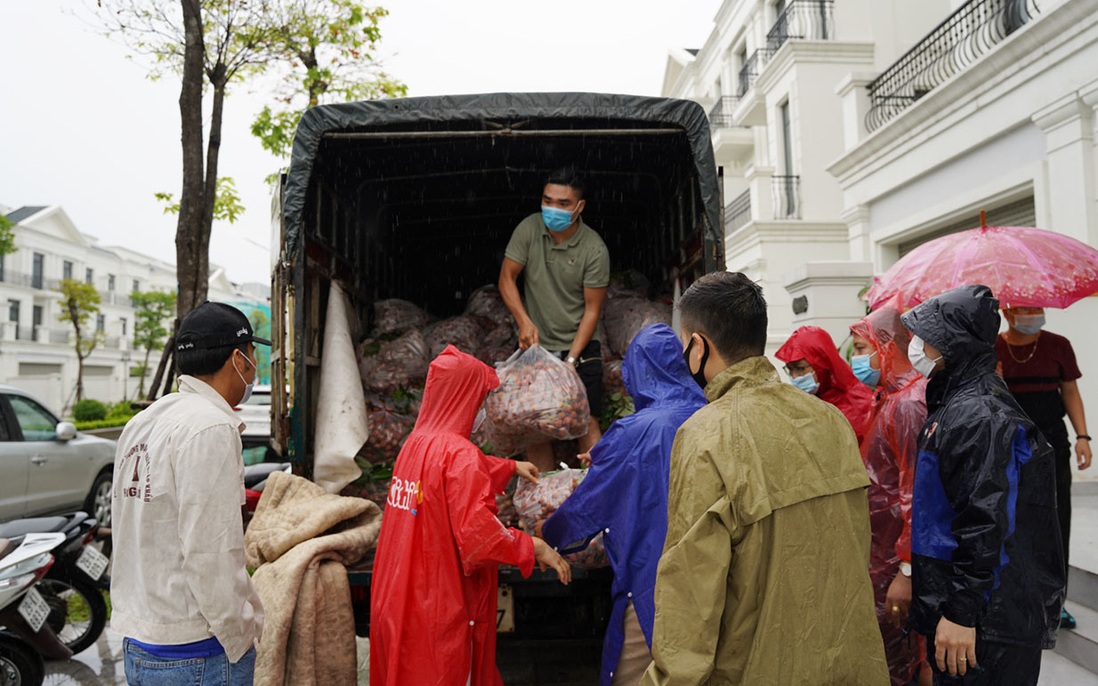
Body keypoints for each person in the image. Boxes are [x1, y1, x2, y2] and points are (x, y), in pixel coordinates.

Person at [641, 271, 888, 685]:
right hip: (848, 665)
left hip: (755, 669)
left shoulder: (706, 434)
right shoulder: (831, 420)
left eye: (686, 346)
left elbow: (691, 588)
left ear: (698, 347)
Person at [370, 345, 571, 686]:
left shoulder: (415, 443)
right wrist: (532, 546)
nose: (480, 410)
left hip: (399, 600)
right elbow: (481, 539)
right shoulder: (461, 455)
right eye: (479, 400)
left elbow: (441, 481)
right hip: (437, 608)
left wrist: (507, 467)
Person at [900, 285, 1065, 685]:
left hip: (988, 623)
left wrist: (962, 612)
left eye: (926, 337)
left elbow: (987, 522)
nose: (916, 346)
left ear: (950, 343)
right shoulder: (957, 402)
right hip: (974, 612)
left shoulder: (980, 415)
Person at [539, 324, 706, 686]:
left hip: (653, 584)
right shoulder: (711, 413)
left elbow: (589, 505)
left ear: (636, 373)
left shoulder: (635, 430)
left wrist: (546, 535)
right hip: (712, 580)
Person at [111, 301, 267, 685]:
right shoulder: (210, 427)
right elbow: (210, 552)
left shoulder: (143, 421)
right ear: (238, 358)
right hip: (197, 652)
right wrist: (239, 635)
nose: (253, 364)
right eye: (252, 354)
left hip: (143, 642)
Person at [499, 167, 611, 472]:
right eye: (548, 201)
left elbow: (592, 310)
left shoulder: (594, 249)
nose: (553, 209)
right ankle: (544, 498)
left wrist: (571, 361)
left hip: (581, 343)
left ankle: (599, 492)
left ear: (579, 207)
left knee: (586, 417)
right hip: (536, 344)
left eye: (563, 203)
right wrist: (523, 320)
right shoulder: (529, 230)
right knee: (534, 420)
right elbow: (507, 278)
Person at [994, 305, 1091, 629]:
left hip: (1052, 444)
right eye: (1025, 309)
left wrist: (1082, 436)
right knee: (1015, 520)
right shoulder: (994, 348)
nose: (1033, 314)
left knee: (1057, 517)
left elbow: (1071, 391)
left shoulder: (1058, 345)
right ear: (1008, 313)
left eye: (1037, 308)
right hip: (1009, 445)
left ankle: (1055, 600)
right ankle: (1019, 598)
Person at [850, 304, 930, 686]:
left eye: (861, 348)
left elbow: (915, 494)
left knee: (907, 660)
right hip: (881, 555)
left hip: (896, 563)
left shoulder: (910, 403)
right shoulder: (890, 397)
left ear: (886, 347)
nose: (856, 359)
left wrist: (907, 569)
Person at [775, 324, 875, 443]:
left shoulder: (857, 403)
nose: (794, 376)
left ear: (821, 365)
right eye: (790, 369)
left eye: (800, 369)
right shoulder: (809, 399)